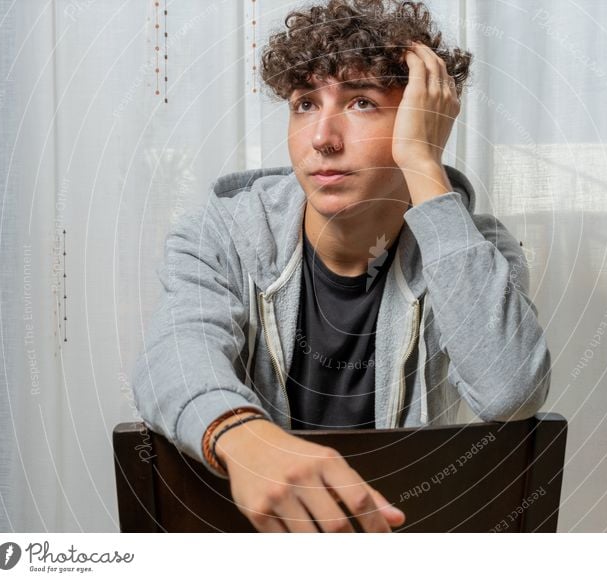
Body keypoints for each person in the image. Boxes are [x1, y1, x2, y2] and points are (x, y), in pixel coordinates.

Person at [132, 0, 551, 533]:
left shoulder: (472, 250)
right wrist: (244, 439)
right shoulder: (222, 234)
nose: (322, 137)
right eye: (304, 103)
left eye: (361, 102)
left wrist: (423, 164)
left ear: (422, 121)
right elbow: (174, 353)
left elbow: (510, 391)